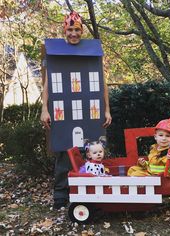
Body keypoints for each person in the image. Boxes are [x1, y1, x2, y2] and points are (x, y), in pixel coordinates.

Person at [40, 11, 112, 209]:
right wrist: (44, 109)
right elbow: (49, 86)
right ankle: (61, 196)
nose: (73, 33)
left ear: (82, 31)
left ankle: (86, 192)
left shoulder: (92, 52)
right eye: (70, 29)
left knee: (90, 153)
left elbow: (102, 84)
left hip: (90, 112)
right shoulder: (56, 53)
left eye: (77, 29)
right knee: (64, 155)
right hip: (64, 114)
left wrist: (106, 110)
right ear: (65, 30)